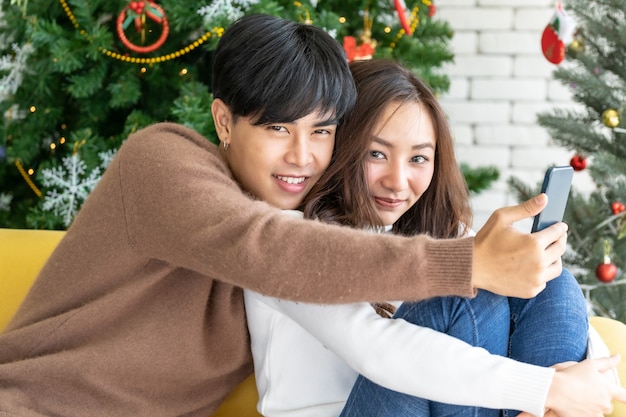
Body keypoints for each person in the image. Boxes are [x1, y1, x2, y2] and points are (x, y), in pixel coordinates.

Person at [0, 14, 571, 417]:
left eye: (321, 132)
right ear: (225, 123)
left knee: (549, 270)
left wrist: (569, 382)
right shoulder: (164, 161)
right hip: (37, 408)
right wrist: (466, 265)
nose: (303, 157)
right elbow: (269, 250)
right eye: (278, 128)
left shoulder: (313, 224)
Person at [244, 59, 626, 417]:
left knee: (550, 276)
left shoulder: (429, 234)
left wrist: (580, 377)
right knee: (463, 284)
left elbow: (562, 315)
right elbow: (381, 352)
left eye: (418, 159)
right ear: (341, 146)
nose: (397, 181)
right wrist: (547, 388)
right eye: (376, 154)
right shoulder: (285, 239)